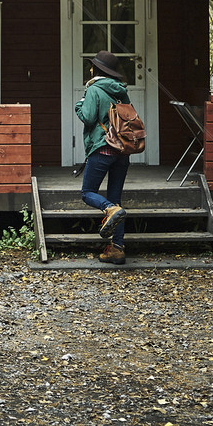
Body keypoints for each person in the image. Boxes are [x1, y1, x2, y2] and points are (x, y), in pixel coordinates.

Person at [75, 49, 131, 265]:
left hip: (102, 148)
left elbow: (88, 118)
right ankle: (117, 249)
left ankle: (110, 210)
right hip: (122, 150)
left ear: (96, 69)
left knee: (88, 192)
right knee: (116, 198)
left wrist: (79, 104)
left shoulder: (93, 90)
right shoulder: (121, 91)